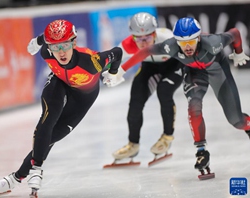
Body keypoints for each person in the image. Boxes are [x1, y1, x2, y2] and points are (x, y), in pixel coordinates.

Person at [0, 19, 123, 197]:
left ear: (74, 42)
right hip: (60, 82)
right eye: (55, 47)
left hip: (83, 97)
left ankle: (16, 177)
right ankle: (36, 169)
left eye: (65, 45)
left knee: (54, 135)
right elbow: (46, 40)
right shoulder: (46, 52)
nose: (61, 52)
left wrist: (112, 73)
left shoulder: (92, 61)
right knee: (48, 117)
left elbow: (117, 52)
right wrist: (37, 41)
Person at [103, 17, 250, 172]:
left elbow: (234, 33)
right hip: (194, 73)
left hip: (217, 70)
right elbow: (145, 52)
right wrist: (120, 71)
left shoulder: (212, 43)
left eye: (191, 41)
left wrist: (239, 52)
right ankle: (201, 152)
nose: (187, 47)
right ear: (176, 41)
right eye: (182, 42)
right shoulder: (170, 45)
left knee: (236, 121)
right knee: (194, 106)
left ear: (199, 38)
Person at [104, 12, 184, 165]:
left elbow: (188, 54)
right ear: (132, 37)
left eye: (147, 37)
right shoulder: (128, 44)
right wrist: (109, 74)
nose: (143, 43)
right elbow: (112, 60)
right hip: (149, 68)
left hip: (173, 67)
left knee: (164, 92)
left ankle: (167, 136)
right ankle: (132, 144)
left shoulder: (167, 38)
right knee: (135, 101)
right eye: (138, 39)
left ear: (154, 33)